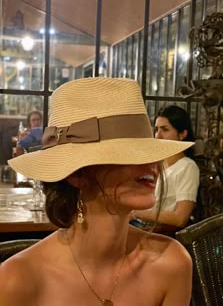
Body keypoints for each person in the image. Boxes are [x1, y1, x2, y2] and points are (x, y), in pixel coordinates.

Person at [1, 78, 193, 306]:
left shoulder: (172, 263)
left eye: (149, 150)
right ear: (76, 175)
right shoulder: (17, 280)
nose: (151, 163)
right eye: (128, 154)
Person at [131, 105, 200, 235]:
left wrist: (136, 213)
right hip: (141, 226)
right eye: (156, 130)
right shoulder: (155, 163)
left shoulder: (187, 167)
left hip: (163, 234)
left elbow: (180, 218)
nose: (158, 136)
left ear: (182, 134)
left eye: (165, 129)